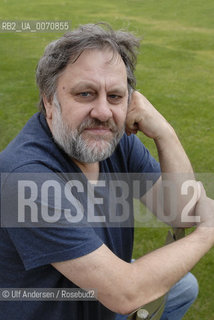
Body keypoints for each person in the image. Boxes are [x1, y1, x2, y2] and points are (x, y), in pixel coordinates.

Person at [0, 23, 214, 320]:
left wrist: (165, 133)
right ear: (50, 101)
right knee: (142, 290)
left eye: (115, 96)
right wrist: (207, 231)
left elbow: (180, 211)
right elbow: (125, 293)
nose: (103, 112)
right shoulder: (26, 177)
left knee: (183, 288)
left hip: (97, 300)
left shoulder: (113, 143)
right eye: (85, 94)